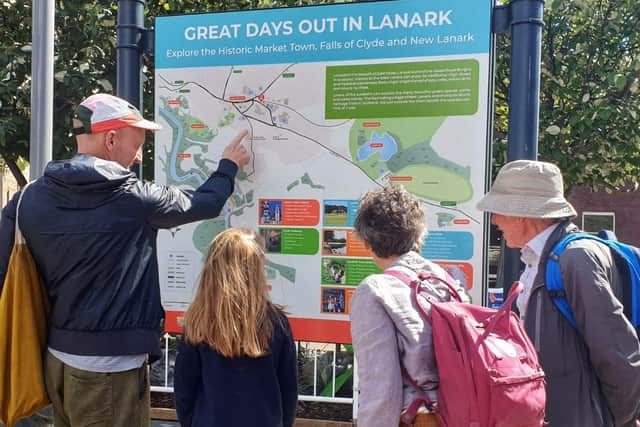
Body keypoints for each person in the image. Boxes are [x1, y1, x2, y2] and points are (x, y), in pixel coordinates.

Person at [0, 93, 251, 427]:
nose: (137, 157)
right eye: (137, 144)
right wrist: (228, 165)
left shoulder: (28, 198)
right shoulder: (133, 198)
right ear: (111, 138)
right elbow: (204, 203)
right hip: (109, 369)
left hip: (55, 361)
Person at [476, 159, 640, 427]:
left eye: (498, 210)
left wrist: (622, 419)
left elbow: (618, 352)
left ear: (522, 212)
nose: (494, 220)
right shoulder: (540, 259)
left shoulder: (575, 259)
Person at [350, 185, 462, 427]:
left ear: (368, 241)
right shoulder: (447, 281)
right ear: (418, 233)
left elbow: (380, 386)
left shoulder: (375, 291)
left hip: (418, 416)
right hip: (458, 412)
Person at [174, 228, 298, 427]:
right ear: (257, 272)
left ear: (211, 271)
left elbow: (184, 391)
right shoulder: (276, 322)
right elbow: (288, 390)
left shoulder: (198, 323)